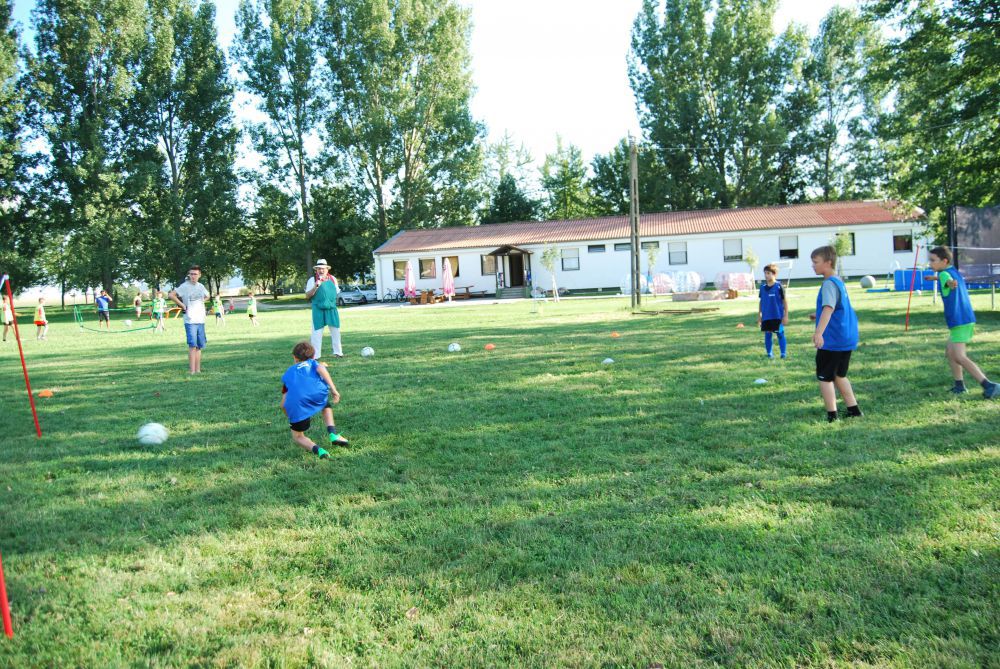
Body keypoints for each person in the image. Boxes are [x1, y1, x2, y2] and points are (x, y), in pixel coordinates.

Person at [926, 246, 1000, 398]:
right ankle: (959, 386)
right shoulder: (952, 270)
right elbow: (948, 279)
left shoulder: (945, 275)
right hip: (964, 318)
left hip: (959, 320)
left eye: (933, 260)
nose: (930, 263)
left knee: (959, 356)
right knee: (950, 352)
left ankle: (989, 385)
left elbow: (948, 281)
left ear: (944, 261)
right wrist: (935, 279)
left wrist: (949, 284)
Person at [811, 245, 862, 422]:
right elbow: (836, 308)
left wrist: (819, 333)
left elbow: (829, 308)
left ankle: (832, 416)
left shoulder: (828, 284)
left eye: (816, 262)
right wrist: (817, 315)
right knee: (840, 375)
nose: (813, 265)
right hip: (845, 338)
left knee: (825, 378)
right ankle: (854, 410)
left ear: (828, 262)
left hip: (832, 340)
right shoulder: (838, 281)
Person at [280, 341, 350, 458]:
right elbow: (321, 369)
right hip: (317, 394)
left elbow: (283, 404)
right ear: (313, 356)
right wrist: (333, 390)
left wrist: (291, 415)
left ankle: (320, 451)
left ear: (295, 358)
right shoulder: (313, 363)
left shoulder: (289, 372)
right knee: (325, 405)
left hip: (296, 404)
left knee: (298, 436)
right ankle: (333, 434)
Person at [169, 265, 210, 374]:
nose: (193, 276)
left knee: (199, 347)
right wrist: (183, 305)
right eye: (191, 274)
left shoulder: (201, 286)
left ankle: (198, 370)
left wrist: (201, 302)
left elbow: (208, 295)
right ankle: (192, 371)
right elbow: (171, 295)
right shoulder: (184, 286)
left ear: (199, 275)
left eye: (195, 274)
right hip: (190, 320)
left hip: (200, 319)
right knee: (192, 346)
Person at [304, 258, 343, 359]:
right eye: (319, 269)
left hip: (331, 309)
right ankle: (316, 356)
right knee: (316, 333)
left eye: (323, 268)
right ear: (316, 270)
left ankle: (338, 353)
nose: (321, 270)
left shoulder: (333, 279)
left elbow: (336, 293)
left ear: (327, 269)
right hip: (318, 309)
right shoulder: (312, 280)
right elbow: (307, 296)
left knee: (336, 331)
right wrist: (315, 287)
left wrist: (329, 301)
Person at [757, 263, 789, 359]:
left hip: (777, 316)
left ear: (774, 274)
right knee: (767, 335)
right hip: (766, 316)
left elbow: (784, 301)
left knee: (780, 334)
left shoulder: (779, 286)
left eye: (768, 273)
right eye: (765, 273)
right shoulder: (762, 287)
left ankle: (783, 353)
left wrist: (786, 315)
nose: (766, 275)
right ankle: (769, 354)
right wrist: (759, 316)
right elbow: (761, 302)